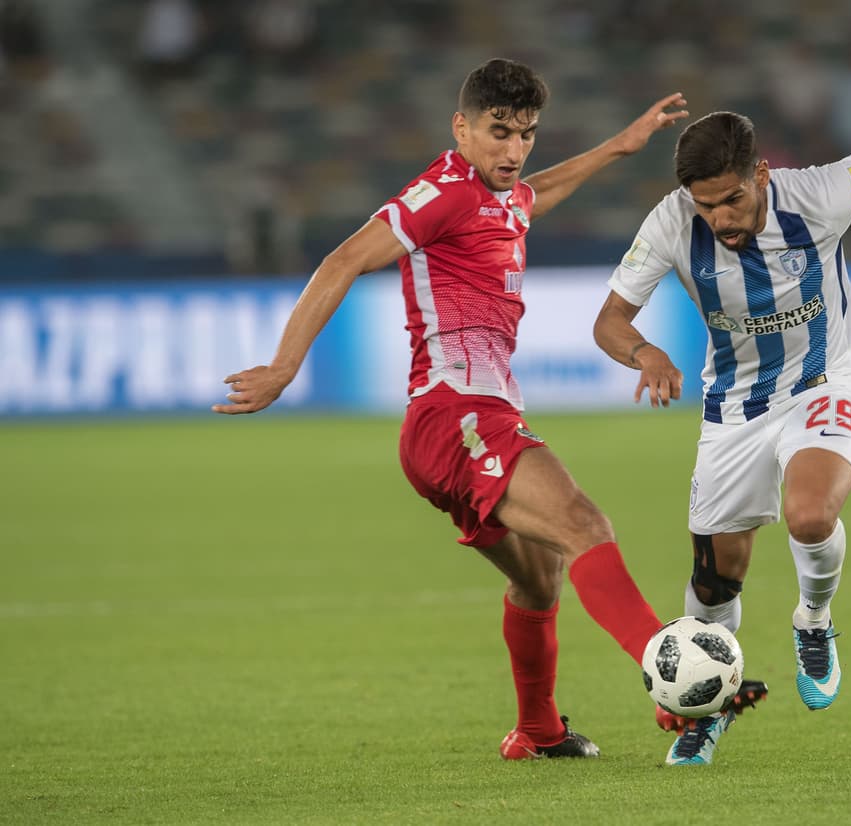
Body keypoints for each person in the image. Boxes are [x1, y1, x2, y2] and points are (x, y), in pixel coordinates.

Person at [212, 59, 761, 760]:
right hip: (456, 414)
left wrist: (619, 147)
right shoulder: (441, 193)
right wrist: (285, 368)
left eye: (526, 134)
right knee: (583, 523)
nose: (513, 151)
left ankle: (537, 731)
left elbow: (536, 192)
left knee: (540, 579)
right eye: (499, 133)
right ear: (461, 128)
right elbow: (344, 259)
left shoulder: (500, 194)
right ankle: (671, 679)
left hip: (467, 418)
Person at [593, 111, 851, 765]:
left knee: (810, 515)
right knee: (713, 584)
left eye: (733, 198)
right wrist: (644, 353)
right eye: (707, 206)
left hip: (827, 384)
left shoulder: (817, 193)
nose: (722, 218)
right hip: (734, 408)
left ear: (761, 174)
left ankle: (813, 621)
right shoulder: (671, 223)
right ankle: (710, 712)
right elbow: (611, 321)